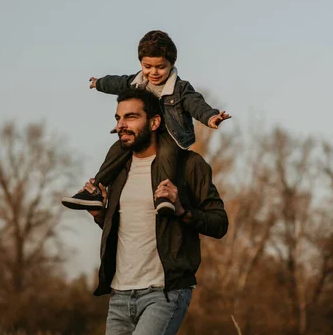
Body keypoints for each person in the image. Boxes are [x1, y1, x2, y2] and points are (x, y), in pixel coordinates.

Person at [80, 89, 228, 335]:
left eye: (131, 117)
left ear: (155, 121)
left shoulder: (189, 166)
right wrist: (99, 215)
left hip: (164, 293)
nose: (122, 124)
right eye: (119, 118)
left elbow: (219, 223)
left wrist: (183, 210)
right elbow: (125, 228)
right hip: (120, 295)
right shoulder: (119, 169)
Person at [62, 30, 231, 215]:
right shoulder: (137, 82)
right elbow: (117, 83)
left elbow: (195, 103)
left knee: (166, 154)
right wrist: (99, 83)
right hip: (144, 133)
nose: (154, 72)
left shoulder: (180, 88)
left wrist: (210, 117)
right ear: (141, 63)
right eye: (148, 66)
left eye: (160, 67)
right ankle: (94, 190)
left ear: (171, 64)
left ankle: (164, 195)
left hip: (169, 134)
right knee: (117, 149)